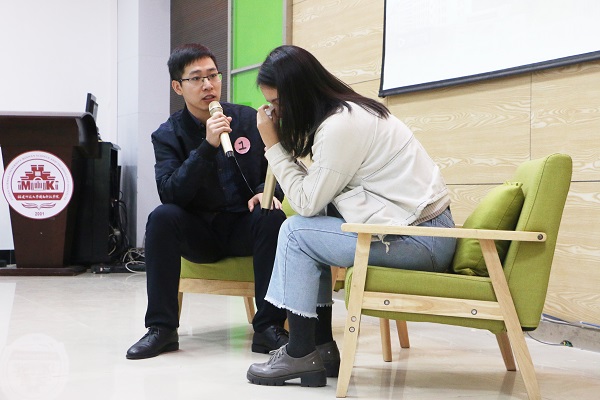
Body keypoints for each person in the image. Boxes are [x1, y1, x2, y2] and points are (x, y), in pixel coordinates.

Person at [246, 45, 457, 387]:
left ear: (300, 94)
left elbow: (305, 202)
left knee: (296, 232)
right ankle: (321, 349)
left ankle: (300, 353)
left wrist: (272, 145)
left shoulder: (340, 126)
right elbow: (316, 199)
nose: (275, 113)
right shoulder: (348, 113)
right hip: (418, 233)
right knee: (311, 227)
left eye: (278, 104)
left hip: (422, 240)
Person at [126, 43, 289, 360]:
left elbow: (277, 168)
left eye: (213, 76)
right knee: (161, 217)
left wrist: (265, 191)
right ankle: (161, 329)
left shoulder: (248, 120)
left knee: (271, 215)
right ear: (178, 87)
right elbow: (170, 192)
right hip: (199, 232)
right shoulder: (167, 134)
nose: (208, 85)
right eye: (196, 78)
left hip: (243, 225)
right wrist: (207, 147)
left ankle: (268, 327)